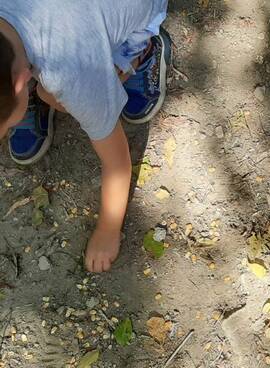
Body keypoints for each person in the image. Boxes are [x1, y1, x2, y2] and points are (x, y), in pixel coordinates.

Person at [0, 0, 171, 272]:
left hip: (139, 10)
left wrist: (108, 230)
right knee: (51, 92)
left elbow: (117, 164)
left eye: (7, 124)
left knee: (54, 95)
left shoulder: (69, 73)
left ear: (20, 82)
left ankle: (144, 51)